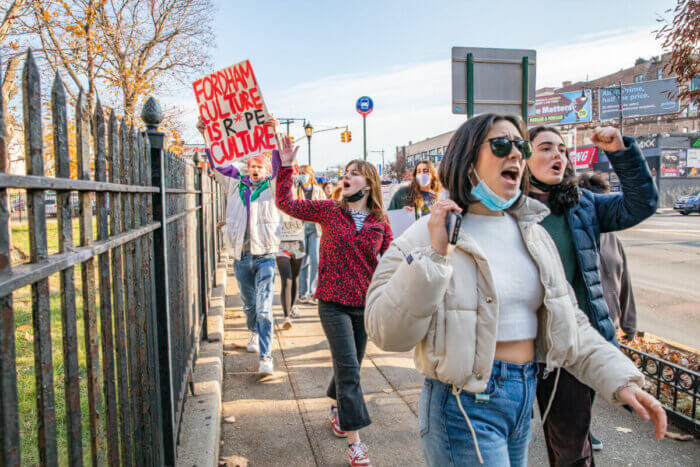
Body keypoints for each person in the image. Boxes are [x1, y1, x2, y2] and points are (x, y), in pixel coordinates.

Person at [365, 114, 666, 467]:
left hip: (521, 400)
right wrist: (434, 257)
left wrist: (619, 379)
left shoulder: (532, 234)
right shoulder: (426, 232)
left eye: (520, 146)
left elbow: (570, 324)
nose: (515, 155)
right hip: (463, 404)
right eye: (500, 145)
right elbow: (385, 331)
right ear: (466, 159)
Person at [526, 125, 657, 463]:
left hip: (572, 344)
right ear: (522, 157)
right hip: (517, 349)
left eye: (562, 149)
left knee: (570, 447)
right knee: (509, 449)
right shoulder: (506, 210)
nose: (558, 154)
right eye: (545, 148)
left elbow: (641, 203)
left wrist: (621, 153)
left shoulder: (583, 204)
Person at [276, 136, 393, 467]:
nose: (347, 175)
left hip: (365, 305)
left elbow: (392, 257)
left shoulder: (380, 221)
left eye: (355, 172)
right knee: (349, 371)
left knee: (350, 365)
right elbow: (285, 203)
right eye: (346, 171)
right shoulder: (329, 210)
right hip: (332, 302)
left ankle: (336, 405)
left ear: (368, 183)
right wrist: (285, 166)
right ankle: (356, 443)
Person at [197, 117, 282, 376]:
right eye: (251, 165)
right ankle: (253, 331)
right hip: (242, 257)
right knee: (249, 305)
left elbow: (280, 166)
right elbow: (218, 163)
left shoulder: (273, 187)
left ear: (266, 171)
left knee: (265, 308)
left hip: (266, 255)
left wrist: (274, 134)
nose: (254, 168)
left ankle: (266, 357)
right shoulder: (235, 183)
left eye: (260, 166)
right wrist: (206, 135)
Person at [577, 172, 637, 341]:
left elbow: (625, 282)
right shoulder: (571, 236)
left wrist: (629, 324)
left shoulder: (613, 239)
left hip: (611, 329)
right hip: (580, 332)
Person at [277, 163, 305, 330]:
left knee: (294, 278)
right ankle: (286, 316)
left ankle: (292, 307)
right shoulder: (277, 198)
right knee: (286, 279)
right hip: (282, 242)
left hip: (297, 242)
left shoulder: (303, 198)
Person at [296, 165, 325, 305]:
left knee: (316, 261)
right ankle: (302, 293)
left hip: (316, 228)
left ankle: (314, 293)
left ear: (311, 174)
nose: (302, 175)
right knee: (301, 260)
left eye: (305, 173)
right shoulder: (296, 190)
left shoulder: (318, 190)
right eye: (300, 173)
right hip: (299, 229)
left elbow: (325, 207)